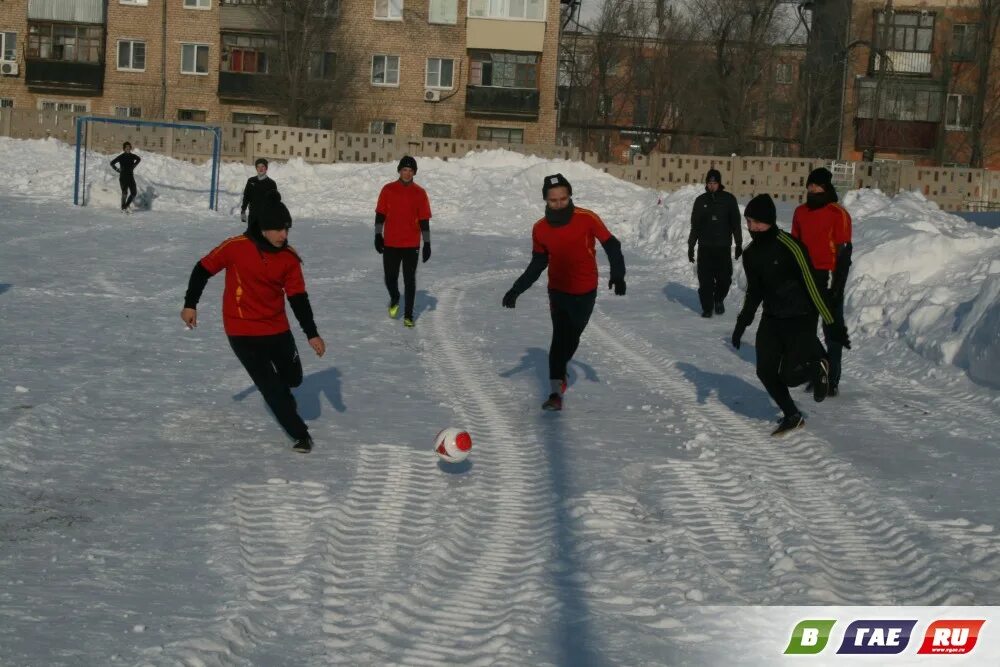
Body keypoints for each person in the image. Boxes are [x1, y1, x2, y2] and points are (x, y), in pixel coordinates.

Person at [181, 190, 326, 453]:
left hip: (276, 327)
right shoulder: (235, 247)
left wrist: (312, 334)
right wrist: (190, 304)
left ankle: (285, 397)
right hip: (241, 329)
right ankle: (300, 435)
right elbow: (202, 269)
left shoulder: (288, 258)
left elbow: (298, 299)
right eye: (279, 230)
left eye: (287, 229)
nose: (284, 235)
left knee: (293, 379)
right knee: (270, 387)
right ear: (263, 229)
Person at [502, 173, 626, 411]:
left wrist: (618, 275)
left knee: (572, 338)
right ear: (545, 201)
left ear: (570, 196)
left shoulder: (586, 218)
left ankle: (560, 375)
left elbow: (612, 244)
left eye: (563, 198)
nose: (559, 203)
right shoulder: (540, 229)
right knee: (559, 340)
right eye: (553, 200)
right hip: (558, 292)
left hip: (585, 290)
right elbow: (538, 264)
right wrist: (516, 290)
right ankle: (555, 392)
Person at [730, 194, 851, 436]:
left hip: (800, 315)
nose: (752, 228)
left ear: (770, 221)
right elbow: (754, 291)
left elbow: (811, 284)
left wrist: (831, 321)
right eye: (749, 222)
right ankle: (792, 415)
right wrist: (742, 322)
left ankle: (819, 364)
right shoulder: (752, 254)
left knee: (790, 376)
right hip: (773, 317)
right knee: (765, 371)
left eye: (757, 223)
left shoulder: (791, 246)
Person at [791, 167, 853, 396]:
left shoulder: (838, 214)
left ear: (826, 187)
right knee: (801, 328)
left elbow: (844, 252)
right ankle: (821, 364)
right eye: (810, 185)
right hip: (805, 276)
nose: (812, 189)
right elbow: (795, 246)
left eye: (817, 185)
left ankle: (832, 380)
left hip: (828, 277)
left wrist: (837, 286)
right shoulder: (800, 212)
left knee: (831, 331)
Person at [374, 155, 432, 328]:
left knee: (409, 280)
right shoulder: (388, 190)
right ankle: (395, 297)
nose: (407, 173)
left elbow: (424, 221)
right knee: (390, 277)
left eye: (411, 170)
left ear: (414, 172)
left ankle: (408, 315)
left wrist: (427, 243)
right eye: (404, 169)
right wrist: (377, 235)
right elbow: (380, 215)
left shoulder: (420, 193)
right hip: (391, 242)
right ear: (399, 170)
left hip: (411, 244)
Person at [688, 168, 743, 317]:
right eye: (709, 182)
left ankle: (718, 299)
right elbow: (695, 226)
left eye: (715, 182)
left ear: (719, 183)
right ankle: (707, 308)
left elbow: (735, 224)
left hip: (723, 248)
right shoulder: (700, 201)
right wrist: (691, 246)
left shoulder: (729, 200)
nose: (712, 185)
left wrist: (738, 244)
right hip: (705, 248)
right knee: (705, 281)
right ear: (706, 184)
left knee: (724, 279)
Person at [240, 158, 278, 232]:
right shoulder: (251, 181)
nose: (260, 169)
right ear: (256, 168)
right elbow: (246, 196)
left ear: (266, 168)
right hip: (253, 215)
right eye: (258, 166)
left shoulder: (271, 183)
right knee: (252, 237)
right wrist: (243, 210)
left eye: (262, 166)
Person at [110, 141, 141, 214]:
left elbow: (139, 159)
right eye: (126, 147)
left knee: (134, 192)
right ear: (124, 148)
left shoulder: (132, 156)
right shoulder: (121, 156)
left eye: (129, 147)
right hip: (123, 177)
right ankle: (123, 208)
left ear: (130, 148)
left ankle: (126, 206)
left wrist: (134, 165)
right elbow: (112, 163)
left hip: (131, 177)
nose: (128, 148)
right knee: (125, 193)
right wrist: (118, 170)